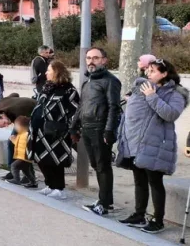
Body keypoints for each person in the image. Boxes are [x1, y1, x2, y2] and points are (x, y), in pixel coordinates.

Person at [115, 58, 188, 233]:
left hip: (156, 143)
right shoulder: (145, 87)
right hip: (137, 142)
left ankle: (158, 220)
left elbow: (170, 114)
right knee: (139, 180)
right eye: (148, 70)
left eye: (153, 71)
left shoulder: (176, 93)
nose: (148, 73)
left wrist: (152, 96)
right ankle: (139, 214)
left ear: (164, 74)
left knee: (155, 181)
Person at [72, 47, 122, 215]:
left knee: (103, 166)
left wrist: (109, 131)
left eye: (95, 58)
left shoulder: (110, 81)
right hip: (87, 128)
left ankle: (104, 204)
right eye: (88, 58)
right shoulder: (87, 82)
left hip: (100, 129)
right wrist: (74, 126)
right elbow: (81, 106)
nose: (91, 61)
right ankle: (106, 201)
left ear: (104, 60)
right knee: (96, 165)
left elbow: (113, 107)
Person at [27, 60, 79, 197]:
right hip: (39, 130)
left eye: (48, 70)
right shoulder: (47, 87)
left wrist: (71, 127)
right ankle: (49, 185)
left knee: (56, 160)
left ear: (56, 72)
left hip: (56, 131)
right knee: (41, 158)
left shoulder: (69, 90)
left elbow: (76, 110)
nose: (45, 73)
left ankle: (59, 188)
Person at [0, 93, 39, 182]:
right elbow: (15, 94)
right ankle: (17, 172)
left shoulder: (15, 113)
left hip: (33, 113)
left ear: (1, 115)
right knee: (12, 142)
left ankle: (24, 174)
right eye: (2, 127)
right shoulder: (1, 104)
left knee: (24, 143)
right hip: (27, 113)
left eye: (4, 124)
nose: (6, 126)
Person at [8, 116, 36, 188]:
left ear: (22, 126)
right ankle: (33, 182)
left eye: (16, 126)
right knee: (26, 171)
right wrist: (14, 140)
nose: (15, 128)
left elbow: (26, 146)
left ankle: (16, 179)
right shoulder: (21, 134)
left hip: (24, 157)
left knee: (14, 166)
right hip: (24, 157)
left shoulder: (26, 135)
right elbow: (19, 145)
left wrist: (14, 140)